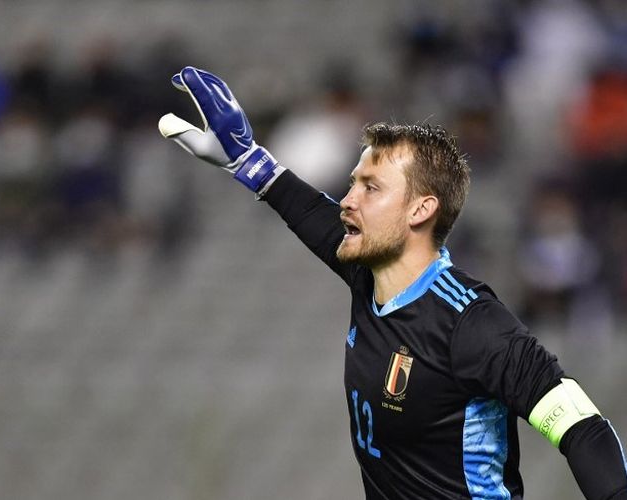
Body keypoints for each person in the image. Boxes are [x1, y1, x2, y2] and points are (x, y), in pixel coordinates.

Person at [158, 67, 627, 499]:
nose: (347, 200)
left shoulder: (469, 322)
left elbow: (582, 426)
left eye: (371, 188)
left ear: (420, 210)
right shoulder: (369, 276)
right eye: (353, 182)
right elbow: (312, 216)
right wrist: (247, 160)